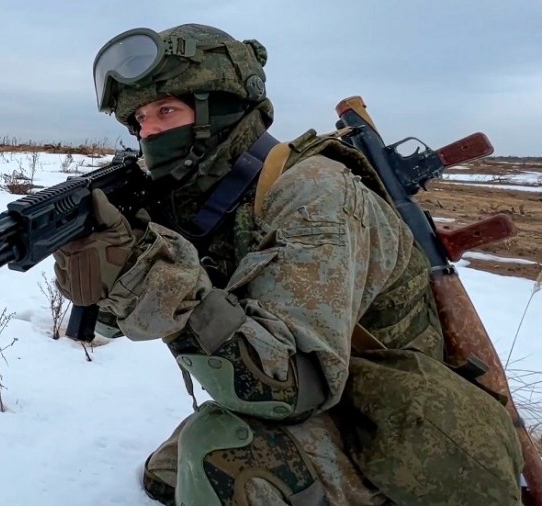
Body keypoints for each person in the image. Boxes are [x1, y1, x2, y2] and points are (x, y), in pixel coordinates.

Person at [53, 24, 523, 505]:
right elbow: (110, 328)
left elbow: (290, 387)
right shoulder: (207, 198)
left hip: (396, 426)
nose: (148, 131)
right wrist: (105, 271)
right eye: (138, 120)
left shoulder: (314, 193)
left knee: (218, 456)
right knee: (165, 474)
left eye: (166, 110)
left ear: (223, 109)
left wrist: (144, 273)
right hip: (336, 396)